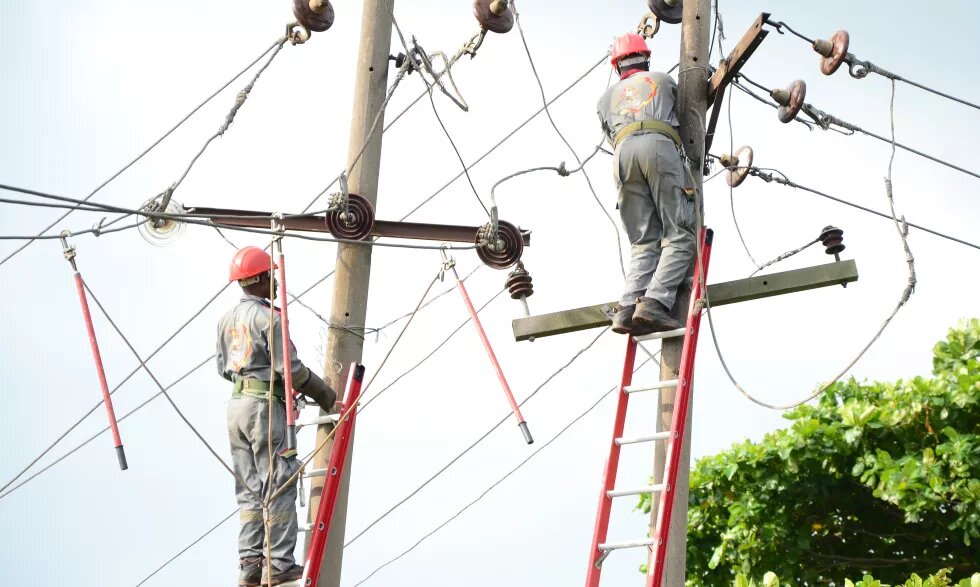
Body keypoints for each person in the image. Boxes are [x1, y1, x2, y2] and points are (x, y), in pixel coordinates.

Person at [217, 246, 338, 586]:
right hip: (263, 409)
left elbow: (222, 369)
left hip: (236, 407)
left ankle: (251, 565)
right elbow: (293, 370)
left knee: (250, 490)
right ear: (256, 279)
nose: (274, 280)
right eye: (270, 275)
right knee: (279, 483)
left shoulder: (225, 321)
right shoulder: (269, 319)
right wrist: (327, 396)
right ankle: (280, 563)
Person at [597, 33, 697, 335]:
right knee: (679, 234)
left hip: (623, 155)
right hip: (658, 146)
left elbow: (610, 132)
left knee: (643, 241)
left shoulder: (604, 99)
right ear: (646, 58)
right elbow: (687, 114)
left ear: (617, 65)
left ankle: (627, 309)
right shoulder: (663, 80)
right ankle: (654, 302)